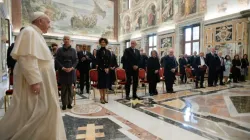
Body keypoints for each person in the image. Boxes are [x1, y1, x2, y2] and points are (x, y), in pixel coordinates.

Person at [0, 12, 66, 140]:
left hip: (42, 80)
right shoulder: (29, 32)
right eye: (48, 22)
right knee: (36, 110)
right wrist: (34, 81)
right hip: (36, 81)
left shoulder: (36, 34)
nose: (49, 25)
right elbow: (27, 58)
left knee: (45, 109)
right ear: (40, 21)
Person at [56, 36, 78, 110]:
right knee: (64, 89)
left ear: (70, 41)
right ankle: (64, 104)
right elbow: (57, 60)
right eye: (65, 39)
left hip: (71, 72)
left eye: (68, 39)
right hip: (63, 72)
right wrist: (63, 68)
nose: (66, 40)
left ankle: (69, 103)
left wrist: (72, 68)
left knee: (70, 89)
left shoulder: (73, 50)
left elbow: (76, 60)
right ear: (63, 40)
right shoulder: (59, 50)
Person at [96, 38, 111, 104]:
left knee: (105, 85)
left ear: (106, 43)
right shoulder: (98, 51)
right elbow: (98, 61)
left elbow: (110, 61)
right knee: (101, 84)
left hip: (107, 70)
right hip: (101, 70)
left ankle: (104, 97)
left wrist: (108, 68)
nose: (103, 43)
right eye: (102, 42)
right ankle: (101, 97)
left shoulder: (108, 51)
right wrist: (103, 68)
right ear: (100, 43)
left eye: (104, 42)